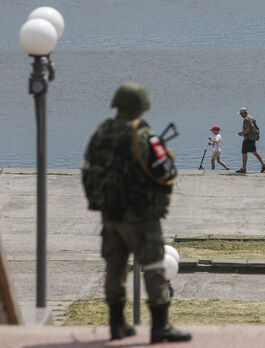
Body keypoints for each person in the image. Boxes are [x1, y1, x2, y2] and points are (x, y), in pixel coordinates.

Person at [82, 82, 191, 344]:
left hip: (110, 212)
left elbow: (89, 167)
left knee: (115, 267)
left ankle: (117, 326)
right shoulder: (142, 135)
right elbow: (165, 170)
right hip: (140, 215)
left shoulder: (102, 131)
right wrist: (169, 153)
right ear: (140, 106)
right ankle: (160, 327)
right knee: (154, 265)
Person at [236, 107, 265, 173]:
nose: (240, 115)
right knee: (252, 152)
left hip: (248, 138)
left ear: (244, 113)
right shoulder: (251, 117)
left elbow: (248, 129)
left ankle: (244, 168)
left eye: (241, 113)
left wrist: (241, 133)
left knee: (246, 152)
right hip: (252, 138)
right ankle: (262, 165)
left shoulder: (246, 119)